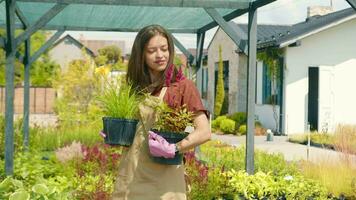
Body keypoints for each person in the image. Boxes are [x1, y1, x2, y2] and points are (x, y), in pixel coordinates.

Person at [111, 24, 211, 200]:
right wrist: (114, 132)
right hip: (132, 176)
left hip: (165, 181)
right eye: (151, 51)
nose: (160, 55)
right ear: (140, 54)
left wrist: (174, 147)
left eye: (164, 49)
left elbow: (204, 131)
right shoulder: (134, 89)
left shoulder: (181, 87)